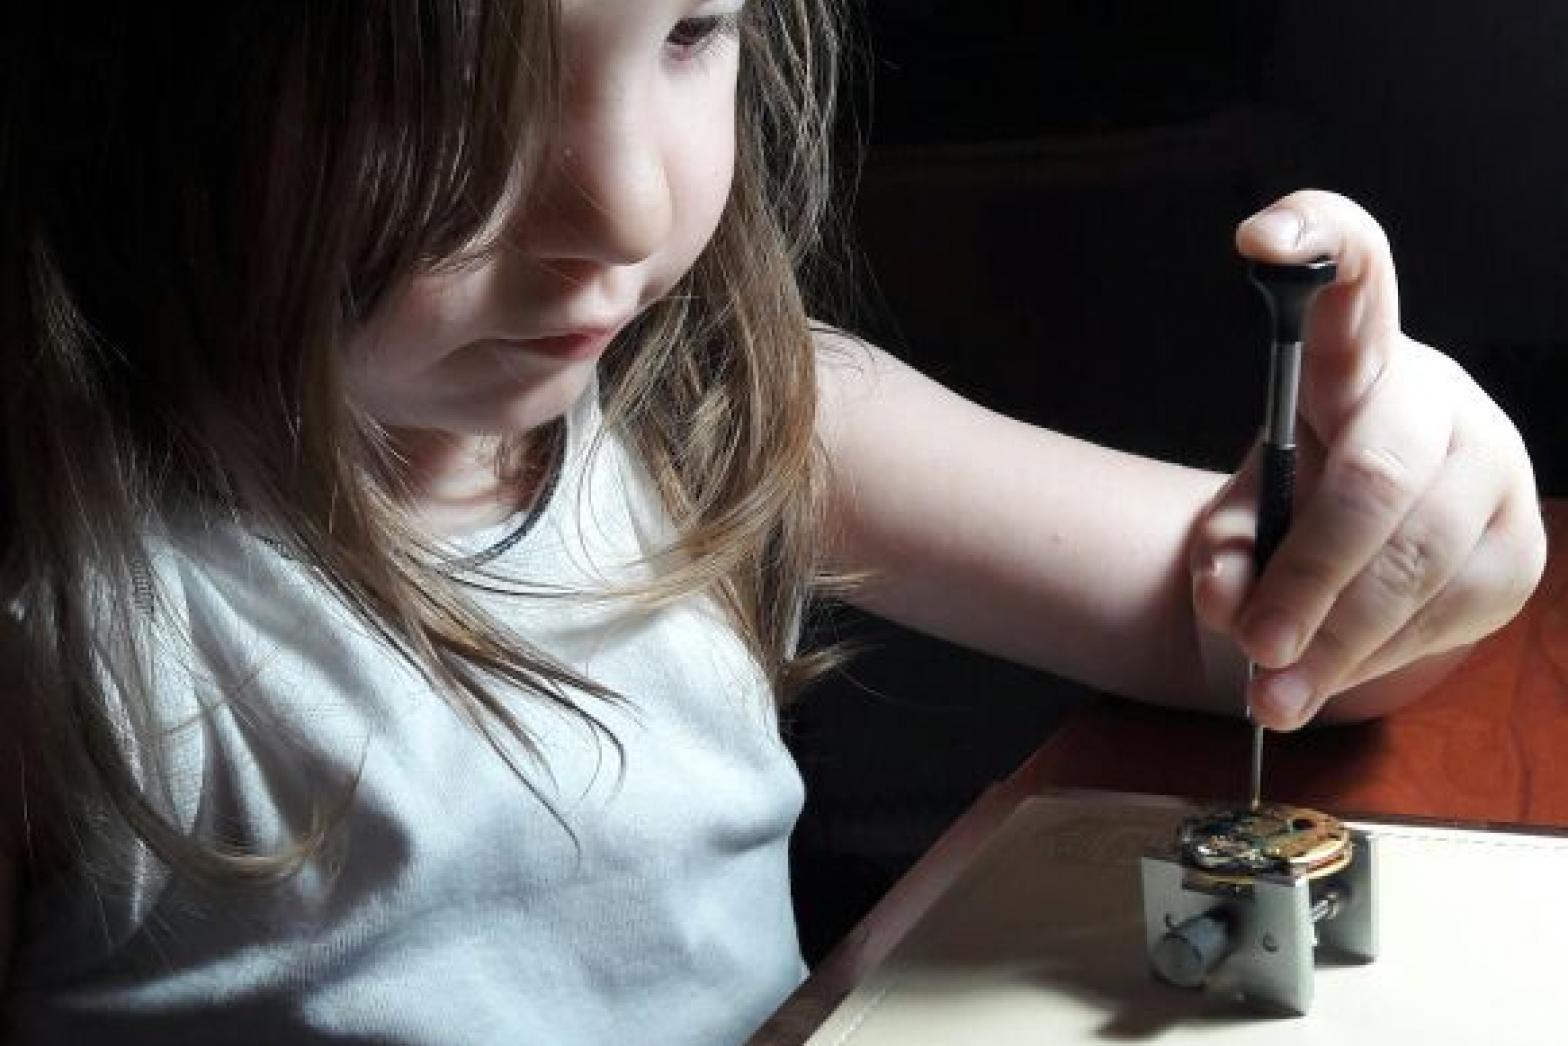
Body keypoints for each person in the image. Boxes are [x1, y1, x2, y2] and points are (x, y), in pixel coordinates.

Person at [0, 2, 1544, 1043]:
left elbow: (1268, 638)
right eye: (458, 80)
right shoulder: (64, 615)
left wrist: (1430, 521)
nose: (623, 205)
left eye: (690, 28)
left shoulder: (736, 408)